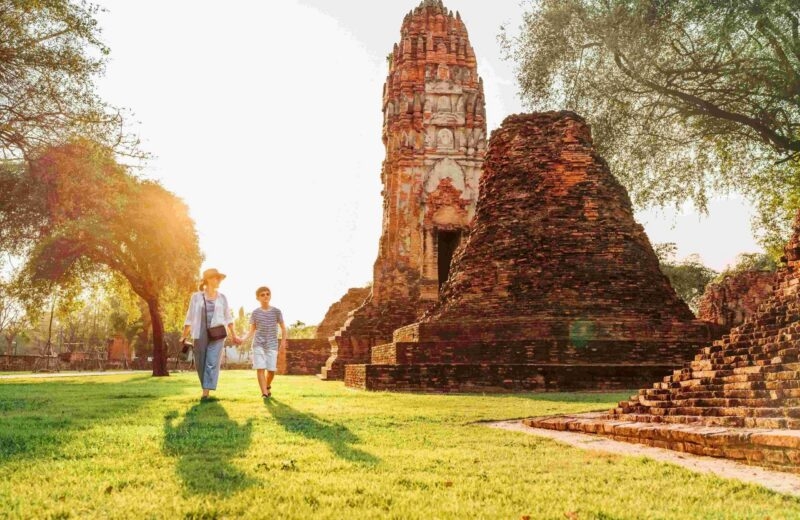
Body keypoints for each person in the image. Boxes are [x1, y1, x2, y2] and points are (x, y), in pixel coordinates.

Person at [180, 268, 241, 400]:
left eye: (219, 278)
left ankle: (205, 393)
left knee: (212, 361)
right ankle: (205, 386)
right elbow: (189, 317)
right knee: (200, 362)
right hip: (200, 332)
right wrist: (184, 335)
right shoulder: (196, 297)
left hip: (217, 333)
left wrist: (234, 334)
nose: (219, 281)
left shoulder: (222, 298)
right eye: (216, 278)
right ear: (208, 279)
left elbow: (228, 318)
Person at [240, 286, 286, 398]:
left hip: (272, 345)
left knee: (271, 370)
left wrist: (283, 343)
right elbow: (252, 330)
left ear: (270, 296)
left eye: (267, 294)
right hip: (258, 344)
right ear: (258, 298)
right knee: (260, 368)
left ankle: (267, 385)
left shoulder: (276, 311)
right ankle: (264, 393)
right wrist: (243, 339)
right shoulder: (255, 313)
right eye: (262, 294)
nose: (265, 296)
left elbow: (284, 328)